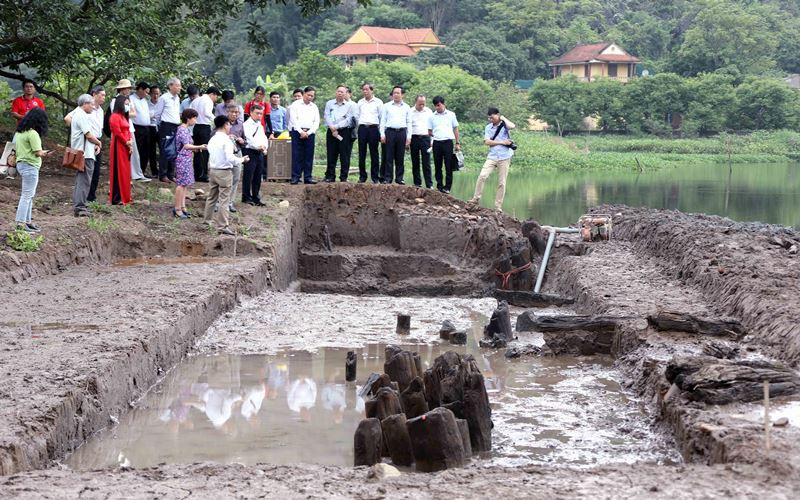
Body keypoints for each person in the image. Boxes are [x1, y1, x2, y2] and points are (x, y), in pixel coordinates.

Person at [205, 115, 248, 235]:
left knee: (211, 197)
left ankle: (206, 221)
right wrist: (242, 160)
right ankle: (222, 226)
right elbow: (230, 158)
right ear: (225, 125)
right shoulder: (226, 140)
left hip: (213, 170)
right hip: (224, 172)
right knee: (224, 200)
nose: (229, 127)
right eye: (229, 124)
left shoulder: (212, 139)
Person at [13, 108, 52, 233]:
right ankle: (20, 223)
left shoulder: (19, 133)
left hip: (21, 164)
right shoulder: (33, 133)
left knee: (29, 195)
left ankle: (28, 221)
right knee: (27, 195)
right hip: (30, 166)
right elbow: (38, 152)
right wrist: (46, 153)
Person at [65, 85, 106, 202]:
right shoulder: (81, 113)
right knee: (85, 175)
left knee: (94, 173)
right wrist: (78, 131)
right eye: (102, 95)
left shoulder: (100, 110)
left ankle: (89, 197)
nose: (104, 98)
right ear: (94, 95)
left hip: (95, 141)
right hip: (87, 144)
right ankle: (81, 203)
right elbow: (68, 119)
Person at [471, 108, 516, 211]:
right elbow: (487, 142)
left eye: (493, 117)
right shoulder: (488, 128)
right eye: (489, 117)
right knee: (482, 176)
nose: (491, 119)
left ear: (498, 115)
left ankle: (498, 206)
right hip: (492, 156)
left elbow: (512, 126)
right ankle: (476, 198)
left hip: (504, 156)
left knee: (502, 182)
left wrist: (503, 118)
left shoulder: (505, 125)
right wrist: (502, 142)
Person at [70, 94, 103, 217]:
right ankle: (80, 207)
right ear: (85, 104)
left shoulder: (77, 114)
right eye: (91, 105)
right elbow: (88, 135)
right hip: (85, 154)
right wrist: (98, 142)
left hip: (82, 151)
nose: (93, 107)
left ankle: (79, 204)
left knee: (81, 179)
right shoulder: (81, 115)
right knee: (84, 180)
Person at [173, 108, 206, 218]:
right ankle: (177, 208)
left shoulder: (185, 129)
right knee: (181, 184)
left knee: (185, 184)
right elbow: (186, 145)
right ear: (188, 118)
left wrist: (195, 148)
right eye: (194, 118)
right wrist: (199, 146)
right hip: (182, 159)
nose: (195, 120)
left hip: (186, 158)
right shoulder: (182, 129)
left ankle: (182, 206)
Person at [323, 85, 356, 183]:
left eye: (342, 92)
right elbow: (327, 116)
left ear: (346, 93)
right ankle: (330, 176)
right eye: (338, 91)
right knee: (331, 153)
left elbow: (349, 119)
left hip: (344, 131)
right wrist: (332, 127)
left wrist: (336, 127)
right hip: (331, 131)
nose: (340, 93)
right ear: (335, 92)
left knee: (344, 155)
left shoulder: (350, 105)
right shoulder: (329, 103)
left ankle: (343, 177)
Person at [428, 95, 460, 194]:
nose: (437, 107)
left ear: (443, 104)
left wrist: (457, 143)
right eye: (435, 106)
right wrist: (435, 137)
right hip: (437, 143)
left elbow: (455, 128)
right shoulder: (432, 116)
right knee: (438, 165)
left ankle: (448, 187)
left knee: (448, 165)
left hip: (448, 142)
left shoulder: (451, 115)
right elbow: (429, 131)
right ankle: (439, 186)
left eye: (439, 105)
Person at [379, 86, 412, 185]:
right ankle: (388, 178)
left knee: (400, 156)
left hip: (402, 132)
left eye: (398, 93)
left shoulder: (406, 107)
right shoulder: (386, 106)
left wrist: (409, 136)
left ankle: (399, 178)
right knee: (388, 156)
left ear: (402, 95)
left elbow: (409, 122)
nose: (396, 95)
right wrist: (382, 134)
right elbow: (383, 121)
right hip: (390, 132)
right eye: (394, 93)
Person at [287, 86, 319, 185]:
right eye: (308, 95)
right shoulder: (295, 105)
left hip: (310, 133)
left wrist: (308, 133)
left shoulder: (314, 106)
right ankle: (295, 177)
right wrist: (301, 132)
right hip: (297, 132)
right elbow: (293, 120)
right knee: (296, 154)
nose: (310, 97)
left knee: (308, 155)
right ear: (304, 94)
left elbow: (316, 121)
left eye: (312, 96)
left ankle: (308, 177)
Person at [154, 77, 182, 183]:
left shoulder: (177, 98)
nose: (179, 88)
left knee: (174, 150)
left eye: (179, 85)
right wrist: (160, 126)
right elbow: (158, 114)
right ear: (170, 86)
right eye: (177, 85)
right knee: (165, 150)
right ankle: (163, 174)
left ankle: (171, 173)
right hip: (166, 125)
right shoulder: (164, 98)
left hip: (175, 125)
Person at [190, 86, 219, 182]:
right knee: (205, 151)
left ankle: (197, 174)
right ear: (212, 94)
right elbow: (207, 113)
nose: (215, 99)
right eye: (216, 97)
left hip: (196, 127)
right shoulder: (208, 101)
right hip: (204, 127)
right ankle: (204, 174)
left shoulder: (196, 100)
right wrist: (216, 120)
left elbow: (190, 112)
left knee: (197, 150)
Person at [355, 83, 383, 183]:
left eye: (367, 89)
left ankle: (375, 177)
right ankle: (362, 176)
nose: (365, 91)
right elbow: (357, 116)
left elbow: (381, 117)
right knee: (362, 153)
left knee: (374, 153)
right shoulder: (360, 102)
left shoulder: (378, 102)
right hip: (362, 128)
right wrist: (361, 124)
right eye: (363, 90)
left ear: (372, 90)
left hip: (374, 129)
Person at [242, 104, 269, 205]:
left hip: (259, 152)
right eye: (257, 113)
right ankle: (246, 197)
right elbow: (249, 139)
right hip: (250, 151)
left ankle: (256, 197)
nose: (259, 115)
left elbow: (264, 138)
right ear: (251, 113)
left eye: (261, 114)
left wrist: (264, 147)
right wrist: (258, 146)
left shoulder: (260, 125)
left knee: (258, 175)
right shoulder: (246, 125)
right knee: (248, 175)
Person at [108, 96, 133, 205]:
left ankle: (126, 196)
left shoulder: (124, 116)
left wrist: (130, 143)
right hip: (119, 145)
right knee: (119, 170)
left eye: (128, 104)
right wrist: (126, 142)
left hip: (126, 146)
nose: (127, 106)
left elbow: (128, 130)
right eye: (126, 104)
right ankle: (117, 197)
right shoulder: (114, 116)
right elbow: (117, 132)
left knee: (125, 172)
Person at [131, 81, 154, 178]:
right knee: (137, 150)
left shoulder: (144, 101)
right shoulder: (131, 99)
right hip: (137, 127)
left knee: (146, 151)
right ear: (140, 89)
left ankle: (142, 171)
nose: (147, 94)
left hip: (146, 128)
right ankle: (135, 172)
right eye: (146, 92)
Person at [409, 95, 433, 188]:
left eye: (423, 103)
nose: (422, 105)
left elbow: (432, 127)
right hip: (414, 138)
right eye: (420, 104)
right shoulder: (410, 111)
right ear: (416, 102)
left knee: (426, 162)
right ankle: (417, 183)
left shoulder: (429, 111)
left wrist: (432, 140)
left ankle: (429, 184)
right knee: (415, 161)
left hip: (425, 138)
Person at [226, 104, 245, 213]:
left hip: (237, 152)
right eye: (232, 112)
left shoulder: (241, 125)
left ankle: (230, 202)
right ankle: (220, 202)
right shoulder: (222, 123)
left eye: (236, 112)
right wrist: (226, 137)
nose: (234, 114)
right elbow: (214, 134)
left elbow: (245, 140)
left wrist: (241, 141)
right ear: (227, 112)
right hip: (224, 154)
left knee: (236, 178)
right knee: (223, 178)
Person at [146, 85, 161, 177]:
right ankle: (154, 171)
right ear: (150, 94)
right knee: (151, 151)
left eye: (157, 94)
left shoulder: (161, 103)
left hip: (160, 127)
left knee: (163, 149)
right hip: (150, 127)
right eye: (154, 94)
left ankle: (163, 171)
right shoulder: (146, 104)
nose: (155, 96)